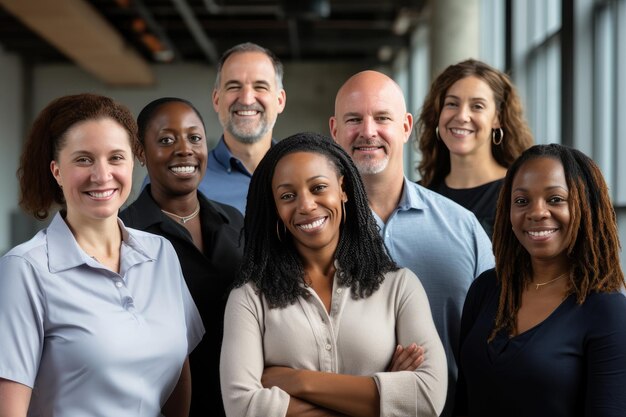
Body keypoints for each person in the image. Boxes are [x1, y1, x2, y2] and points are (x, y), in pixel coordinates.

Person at [0, 93, 204, 417]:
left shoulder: (161, 254)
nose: (102, 175)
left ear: (133, 163)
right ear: (56, 171)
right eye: (83, 159)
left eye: (116, 158)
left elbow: (179, 376)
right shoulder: (24, 270)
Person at [220, 132, 447, 417]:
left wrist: (297, 381)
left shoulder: (400, 286)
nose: (305, 205)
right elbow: (242, 408)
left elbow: (427, 398)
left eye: (318, 188)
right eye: (287, 196)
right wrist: (381, 399)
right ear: (275, 208)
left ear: (343, 189)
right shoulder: (249, 297)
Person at [330, 70, 494, 417]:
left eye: (382, 118)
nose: (368, 131)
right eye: (354, 119)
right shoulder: (313, 231)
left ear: (406, 126)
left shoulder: (462, 227)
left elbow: (497, 338)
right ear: (334, 130)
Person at [455, 144, 626, 416]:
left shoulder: (608, 310)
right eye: (521, 201)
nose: (537, 212)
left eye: (555, 199)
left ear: (586, 206)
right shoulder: (487, 289)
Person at [119, 97, 243, 417]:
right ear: (141, 153)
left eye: (194, 137)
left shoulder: (236, 222)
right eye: (166, 140)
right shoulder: (124, 235)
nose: (184, 149)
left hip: (241, 402)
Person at [417, 59, 533, 238]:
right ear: (438, 113)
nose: (462, 116)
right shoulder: (418, 196)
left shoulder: (519, 193)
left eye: (477, 106)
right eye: (452, 104)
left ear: (497, 118)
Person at [204, 42, 286, 213]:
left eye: (260, 87)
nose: (247, 99)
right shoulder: (181, 182)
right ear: (216, 100)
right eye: (234, 87)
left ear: (280, 100)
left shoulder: (306, 176)